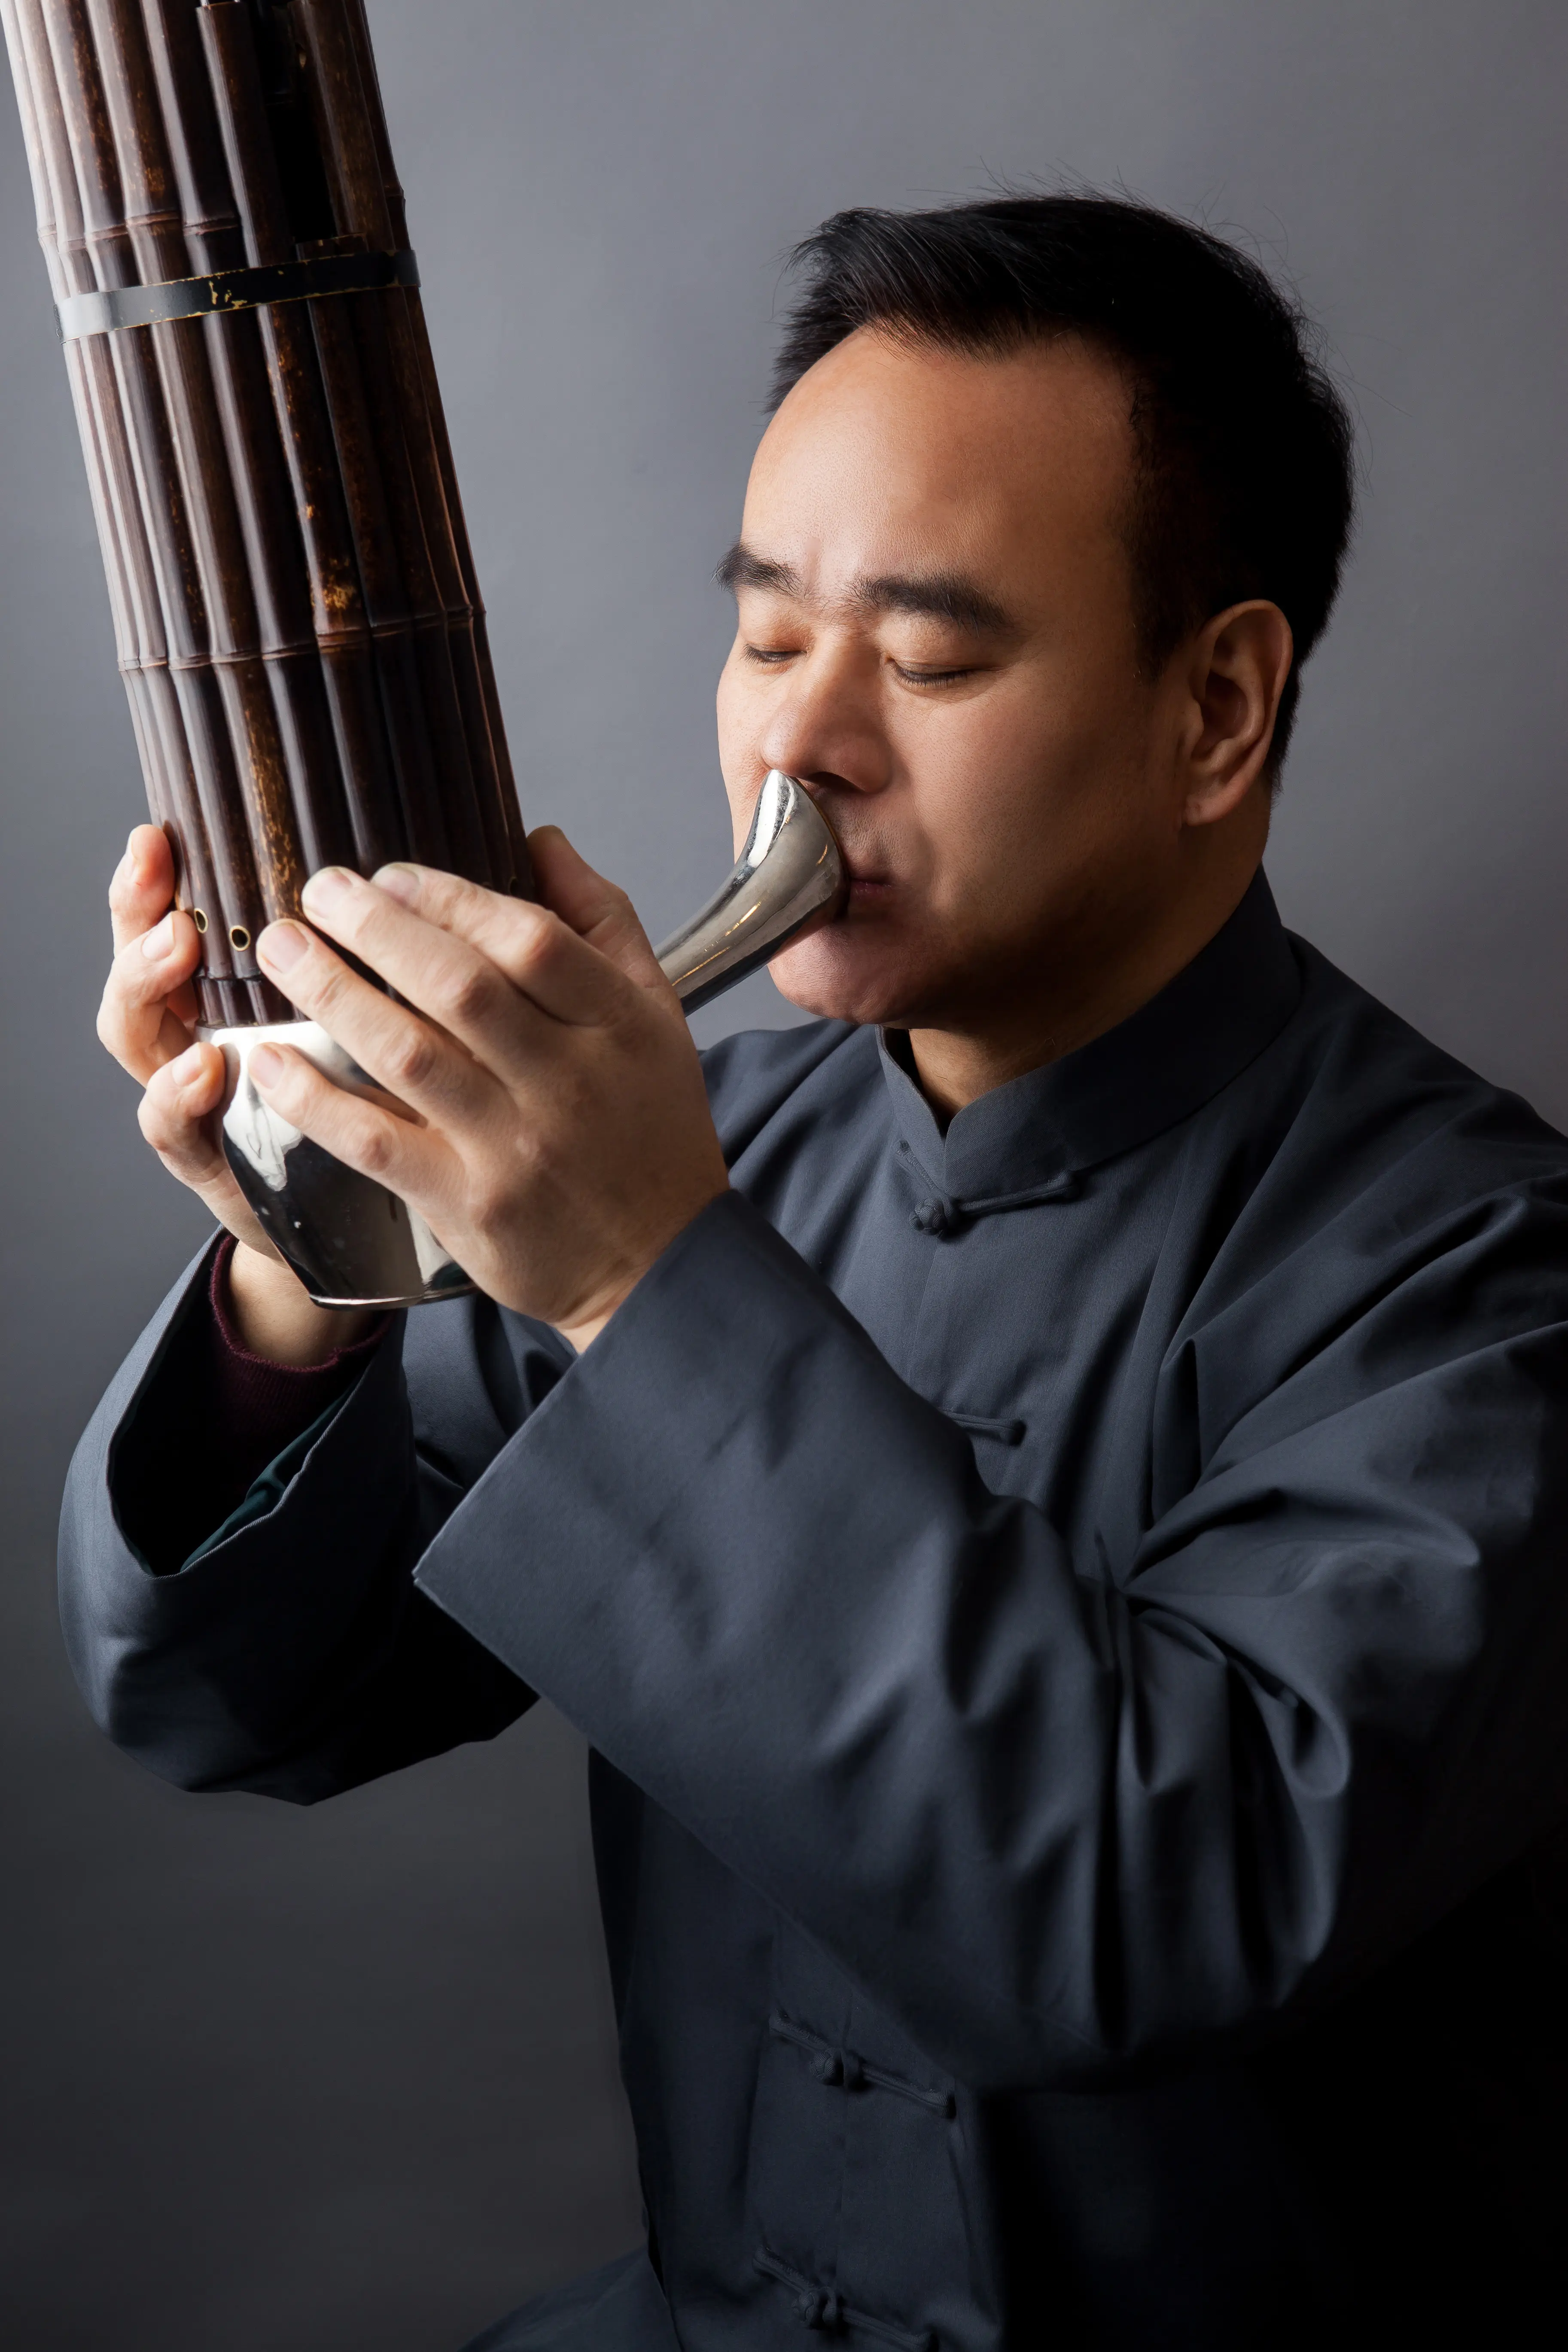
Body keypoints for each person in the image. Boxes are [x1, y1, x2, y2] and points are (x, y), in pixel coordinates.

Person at [70, 194, 1568, 2351]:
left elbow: (1133, 1914)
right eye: (770, 635)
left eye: (935, 655)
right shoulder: (710, 1149)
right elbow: (232, 1702)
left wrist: (643, 1269)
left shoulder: (1491, 1280)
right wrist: (312, 1244)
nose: (806, 746)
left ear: (1222, 707)